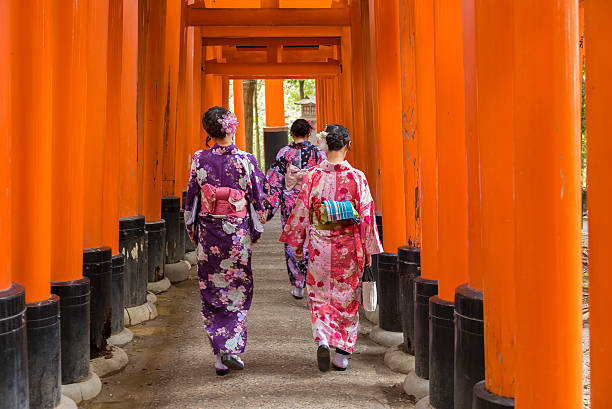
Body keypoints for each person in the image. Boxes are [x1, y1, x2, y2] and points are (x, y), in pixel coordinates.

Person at [279, 124, 383, 372]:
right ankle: (342, 355)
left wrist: (297, 242)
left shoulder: (313, 176)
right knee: (347, 298)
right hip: (348, 244)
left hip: (319, 245)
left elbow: (303, 210)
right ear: (347, 145)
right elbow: (366, 215)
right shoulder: (357, 177)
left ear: (324, 146)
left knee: (319, 295)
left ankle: (323, 338)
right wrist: (368, 249)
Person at [184, 106, 268, 376]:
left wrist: (193, 232)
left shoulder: (199, 158)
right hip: (236, 235)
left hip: (209, 234)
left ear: (208, 130)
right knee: (238, 288)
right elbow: (259, 198)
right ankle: (231, 348)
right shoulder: (246, 160)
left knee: (211, 290)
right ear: (233, 127)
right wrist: (256, 228)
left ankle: (221, 354)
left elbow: (191, 201)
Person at [264, 119, 326, 299]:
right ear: (309, 134)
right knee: (314, 237)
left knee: (293, 239)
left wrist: (269, 208)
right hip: (312, 200)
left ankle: (298, 285)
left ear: (291, 134)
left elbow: (275, 180)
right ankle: (314, 283)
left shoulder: (284, 153)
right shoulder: (317, 153)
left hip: (290, 200)